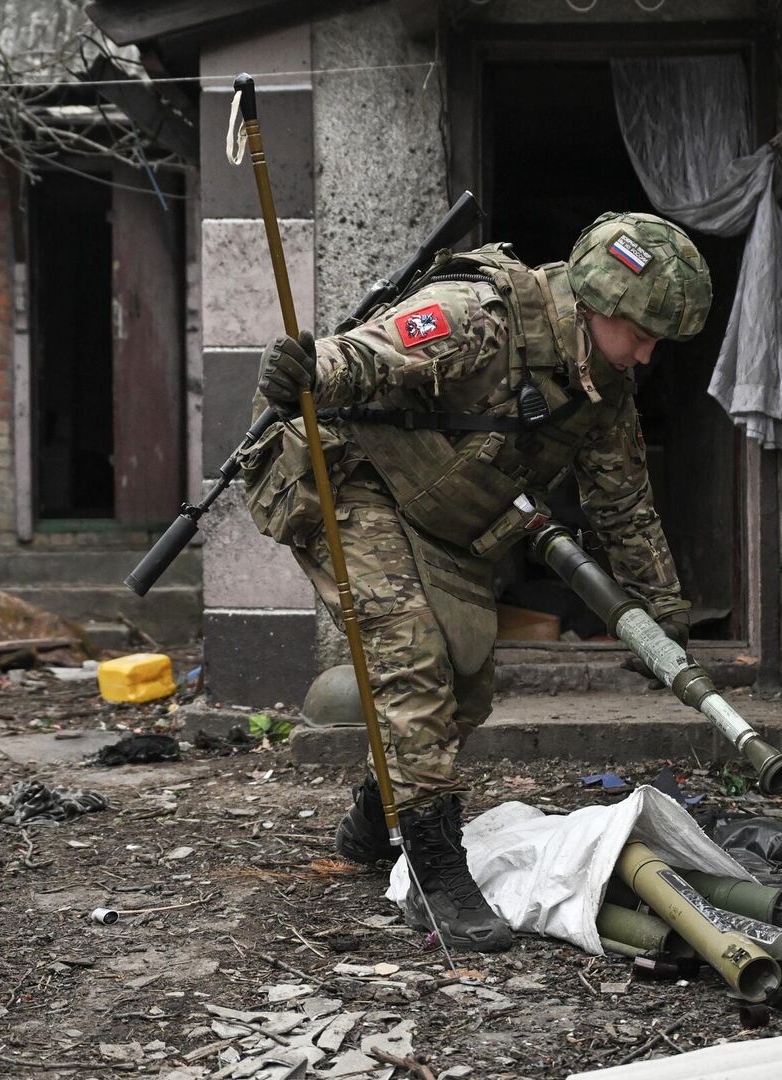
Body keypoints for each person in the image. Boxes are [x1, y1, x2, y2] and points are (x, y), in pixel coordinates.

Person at [248, 212, 711, 953]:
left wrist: (661, 614)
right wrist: (308, 369)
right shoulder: (486, 319)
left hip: (445, 514)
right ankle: (436, 872)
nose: (649, 354)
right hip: (352, 478)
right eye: (643, 331)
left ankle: (373, 820)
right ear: (596, 303)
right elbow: (363, 358)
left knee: (466, 685)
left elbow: (622, 503)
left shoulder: (606, 391)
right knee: (414, 661)